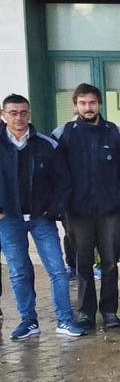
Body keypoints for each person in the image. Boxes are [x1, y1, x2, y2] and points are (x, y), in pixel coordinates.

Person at [0, 94, 86, 339]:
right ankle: (28, 321)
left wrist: (54, 209)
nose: (19, 117)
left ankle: (65, 320)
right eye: (13, 113)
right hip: (9, 219)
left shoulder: (46, 145)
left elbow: (63, 181)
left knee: (58, 270)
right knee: (18, 271)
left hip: (41, 218)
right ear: (3, 114)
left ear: (30, 113)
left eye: (24, 112)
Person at [57, 83, 120, 331]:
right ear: (76, 104)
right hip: (78, 212)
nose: (88, 107)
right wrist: (64, 203)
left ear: (99, 104)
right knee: (83, 264)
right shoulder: (63, 134)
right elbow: (57, 173)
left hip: (110, 212)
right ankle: (86, 313)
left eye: (92, 102)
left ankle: (110, 311)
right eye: (83, 103)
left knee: (111, 262)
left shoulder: (116, 134)